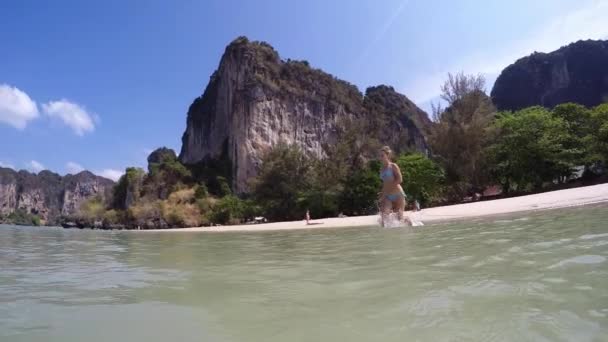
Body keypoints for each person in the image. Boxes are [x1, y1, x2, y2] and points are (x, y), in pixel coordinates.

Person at [378, 146, 409, 226]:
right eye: (380, 156)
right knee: (384, 217)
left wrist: (389, 187)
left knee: (400, 218)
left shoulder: (393, 166)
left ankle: (410, 222)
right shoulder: (381, 169)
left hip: (398, 194)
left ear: (387, 156)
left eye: (382, 155)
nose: (380, 158)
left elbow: (400, 180)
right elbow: (385, 183)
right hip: (388, 195)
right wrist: (382, 194)